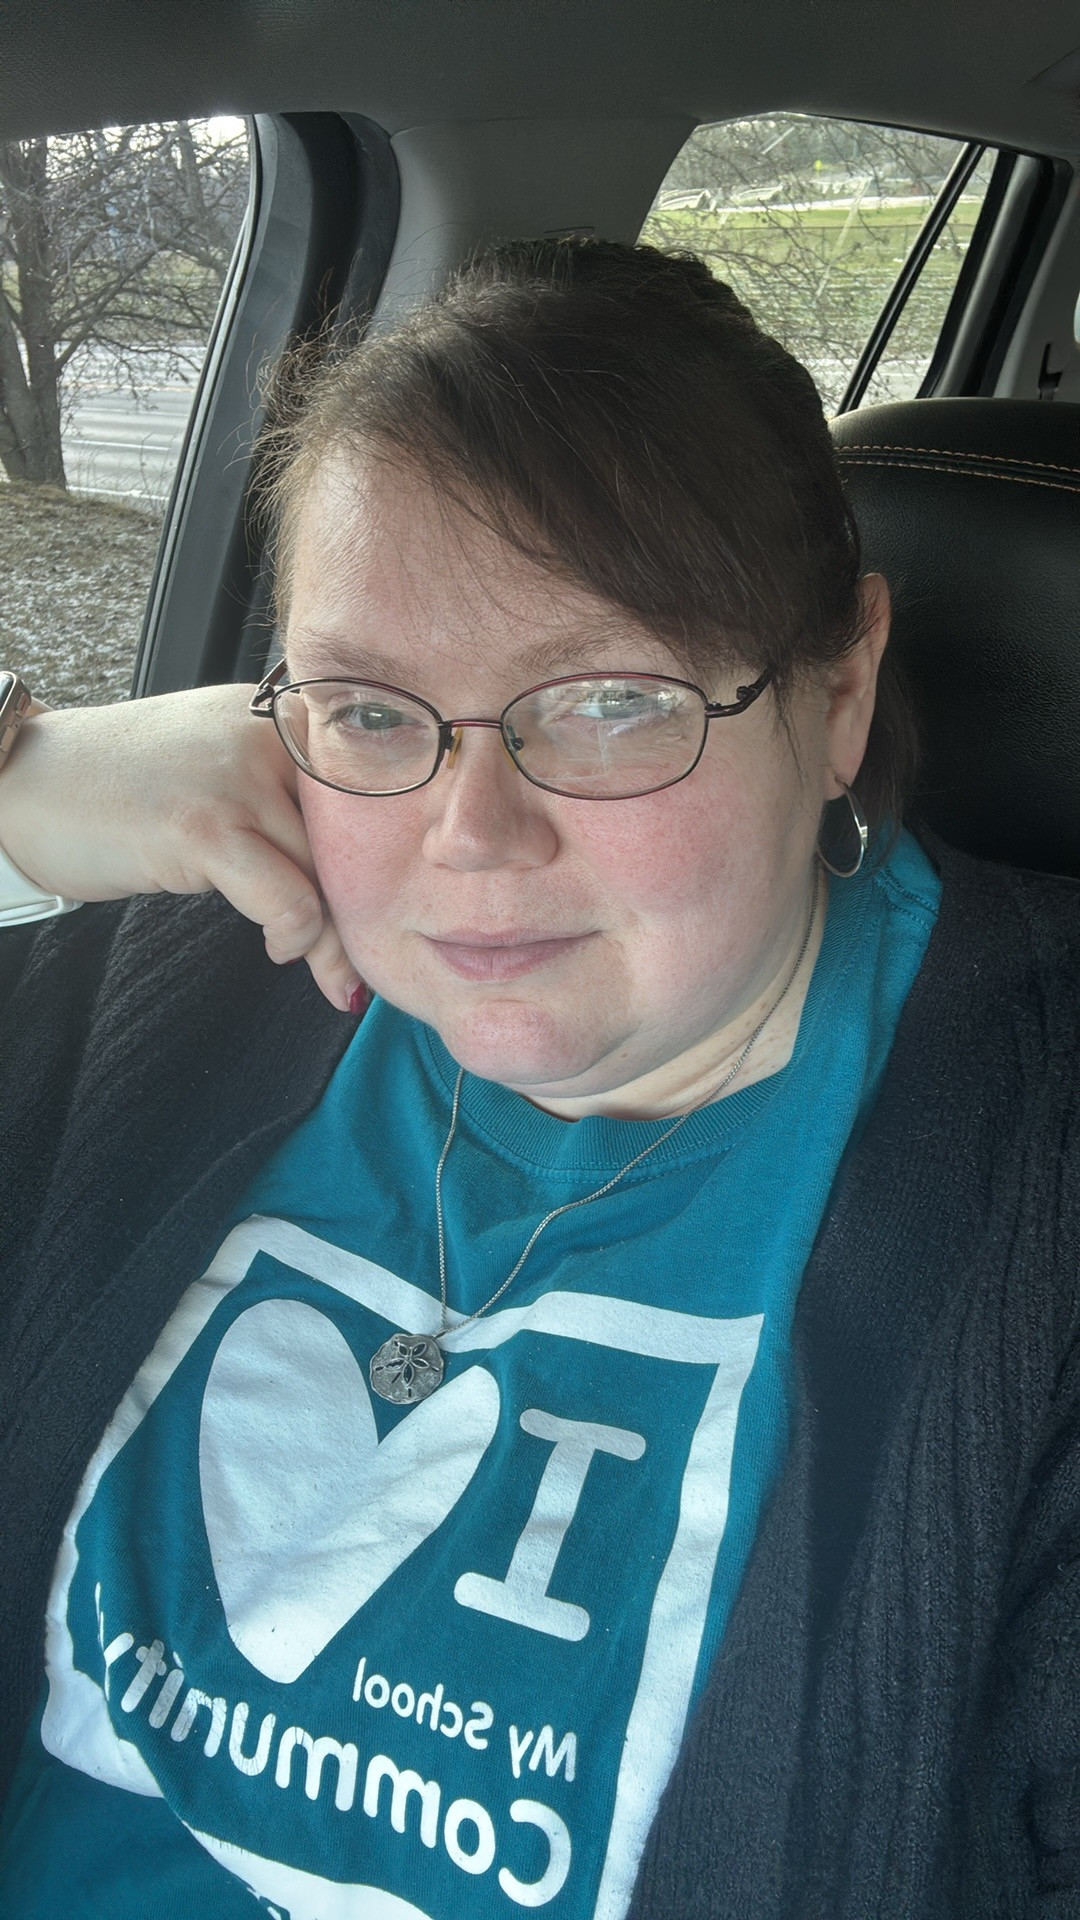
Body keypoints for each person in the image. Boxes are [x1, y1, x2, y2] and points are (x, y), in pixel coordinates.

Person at [0, 238, 1076, 1920]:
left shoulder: (1041, 1189)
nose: (471, 836)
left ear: (841, 692)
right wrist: (18, 783)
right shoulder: (191, 966)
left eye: (612, 702)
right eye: (371, 710)